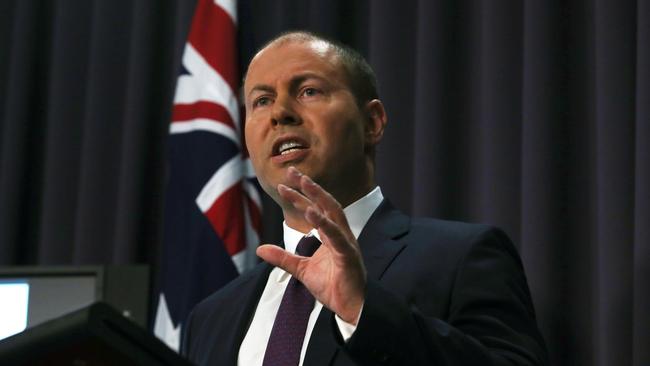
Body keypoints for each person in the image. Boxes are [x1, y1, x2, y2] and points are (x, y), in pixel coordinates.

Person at [181, 31, 547, 366]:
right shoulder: (212, 316)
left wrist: (365, 310)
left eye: (308, 91)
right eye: (261, 101)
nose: (280, 113)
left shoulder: (462, 258)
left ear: (372, 122)